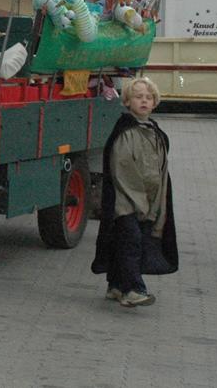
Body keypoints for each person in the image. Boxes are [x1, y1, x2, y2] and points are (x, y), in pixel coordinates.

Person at [91, 76, 178, 307]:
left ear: (155, 102)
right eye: (138, 97)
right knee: (132, 242)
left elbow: (161, 172)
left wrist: (156, 204)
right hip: (126, 202)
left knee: (127, 242)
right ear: (128, 101)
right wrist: (140, 202)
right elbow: (123, 171)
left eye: (148, 98)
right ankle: (133, 289)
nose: (144, 101)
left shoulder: (154, 133)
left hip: (148, 202)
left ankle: (116, 285)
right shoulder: (126, 132)